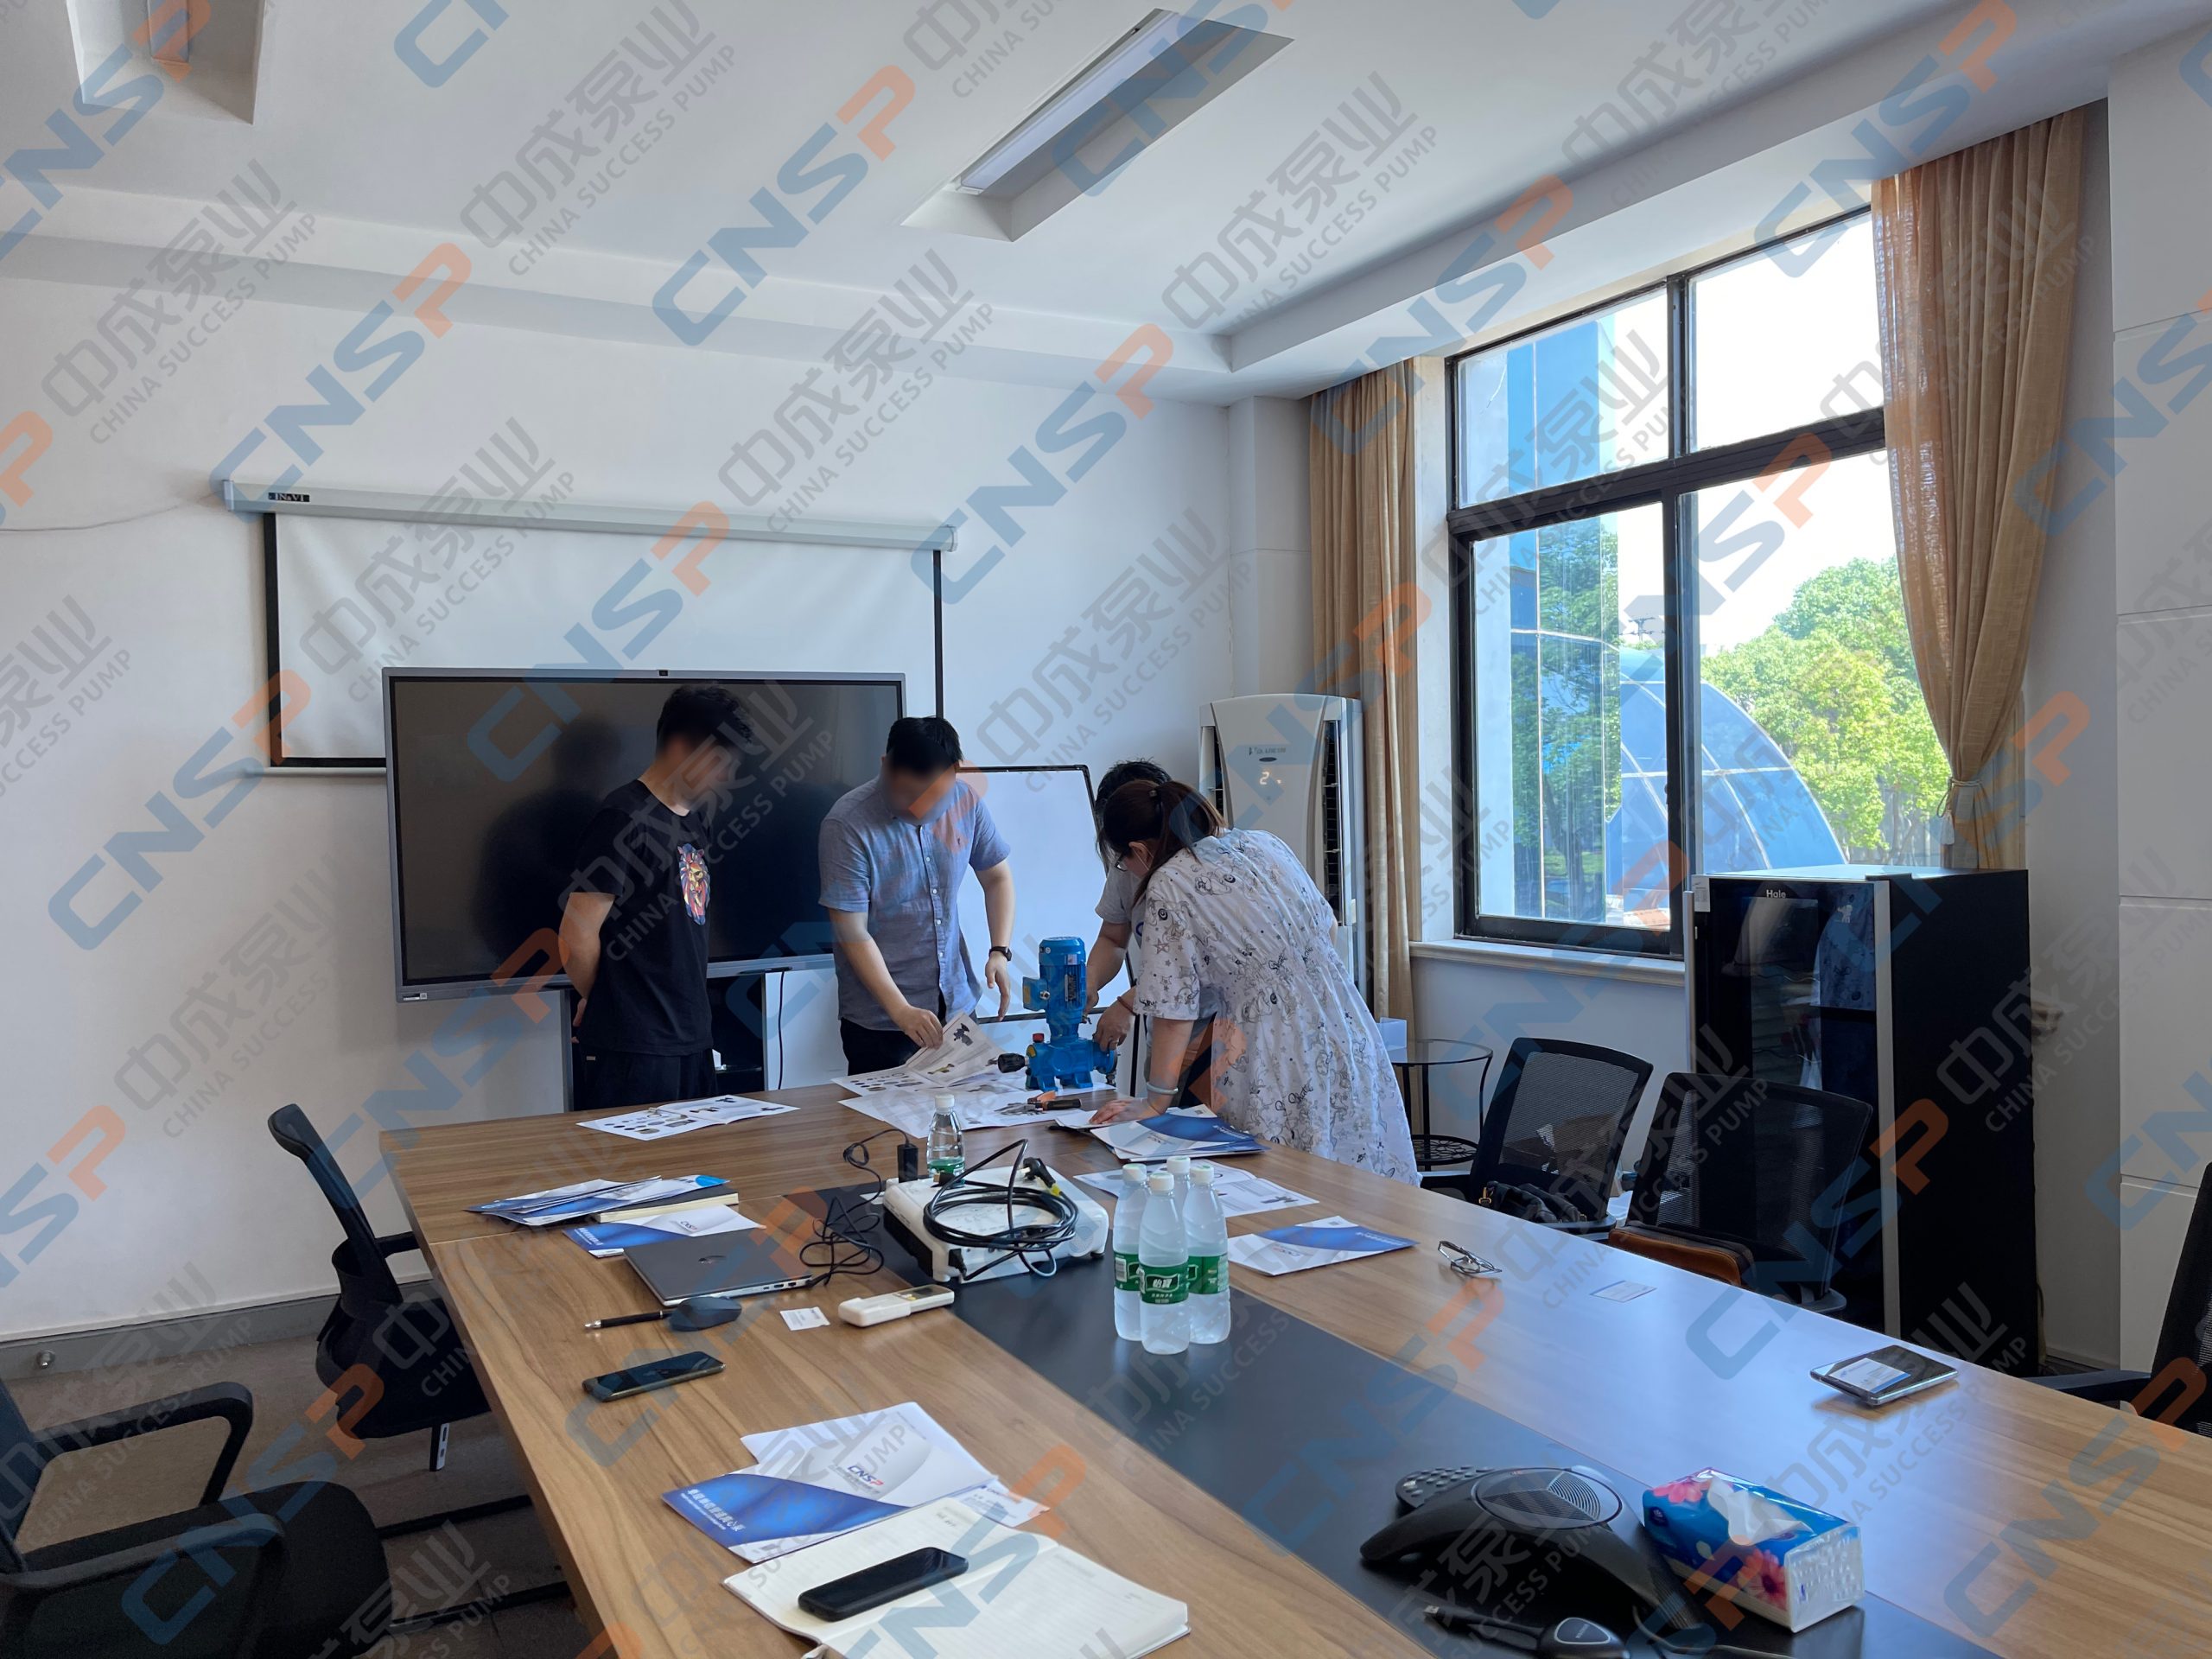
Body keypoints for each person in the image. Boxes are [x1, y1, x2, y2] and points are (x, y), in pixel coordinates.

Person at [1088, 779, 1418, 1184]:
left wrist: (1155, 1104)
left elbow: (1173, 1010)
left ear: (1139, 851)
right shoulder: (1264, 843)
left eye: (1124, 863)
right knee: (1355, 1171)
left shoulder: (1169, 883)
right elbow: (1328, 926)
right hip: (1345, 1023)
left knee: (1282, 1184)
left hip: (1271, 1046)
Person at [559, 685, 748, 1114]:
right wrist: (608, 1001)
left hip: (692, 1036)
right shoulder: (622, 818)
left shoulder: (695, 821)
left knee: (699, 1155)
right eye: (718, 762)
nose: (725, 777)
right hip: (636, 1050)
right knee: (637, 1159)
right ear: (680, 748)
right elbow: (575, 935)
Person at [819, 715, 1016, 1074]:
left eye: (932, 796)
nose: (917, 807)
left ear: (955, 773)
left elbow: (997, 878)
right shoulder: (847, 825)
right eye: (905, 793)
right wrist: (901, 1010)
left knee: (970, 1106)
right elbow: (851, 930)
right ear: (885, 765)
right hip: (882, 1024)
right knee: (885, 1112)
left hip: (956, 1010)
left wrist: (999, 951)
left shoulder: (966, 802)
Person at [1084, 758, 1173, 1055]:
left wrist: (1127, 1004)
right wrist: (1090, 981)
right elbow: (1112, 938)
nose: (1122, 862)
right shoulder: (1124, 866)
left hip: (1219, 1029)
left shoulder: (1193, 875)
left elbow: (1191, 965)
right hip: (1167, 1029)